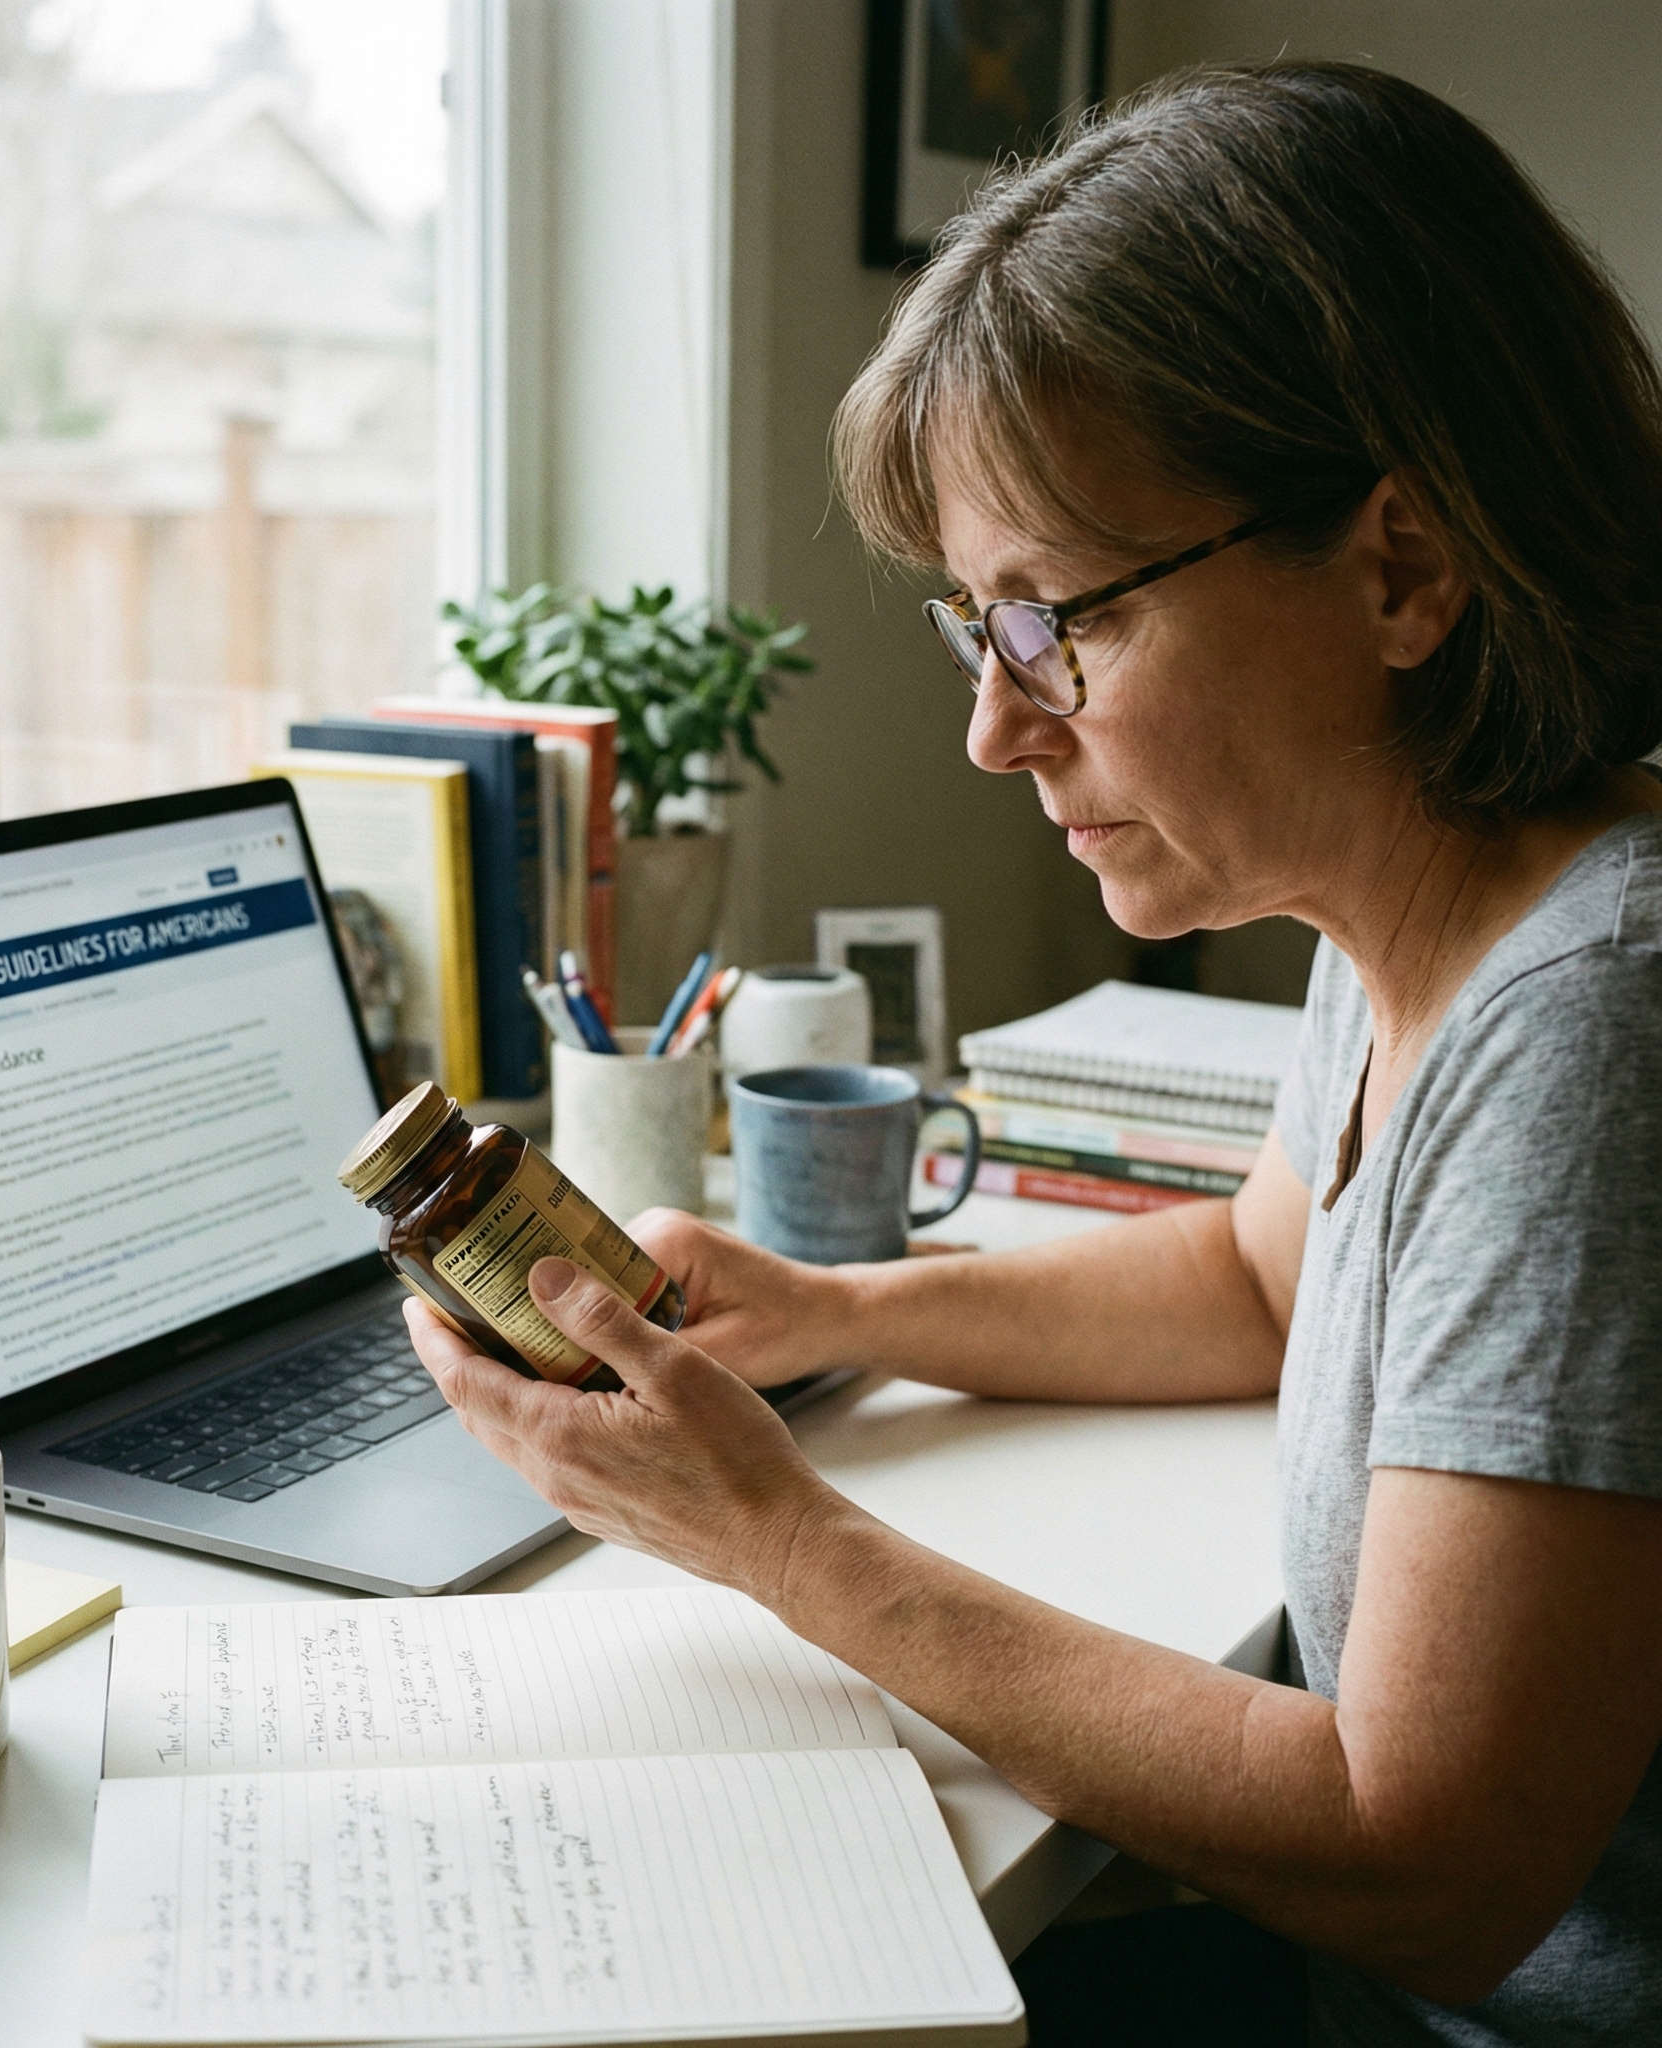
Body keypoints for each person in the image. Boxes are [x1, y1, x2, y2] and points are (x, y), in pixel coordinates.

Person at [402, 62, 1662, 2047]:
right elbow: (1262, 1275)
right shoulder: (1419, 903)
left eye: (1051, 621)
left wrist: (774, 1535)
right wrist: (840, 1307)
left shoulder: (1595, 1028)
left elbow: (1433, 1855)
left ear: (1403, 569)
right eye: (971, 629)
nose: (998, 730)